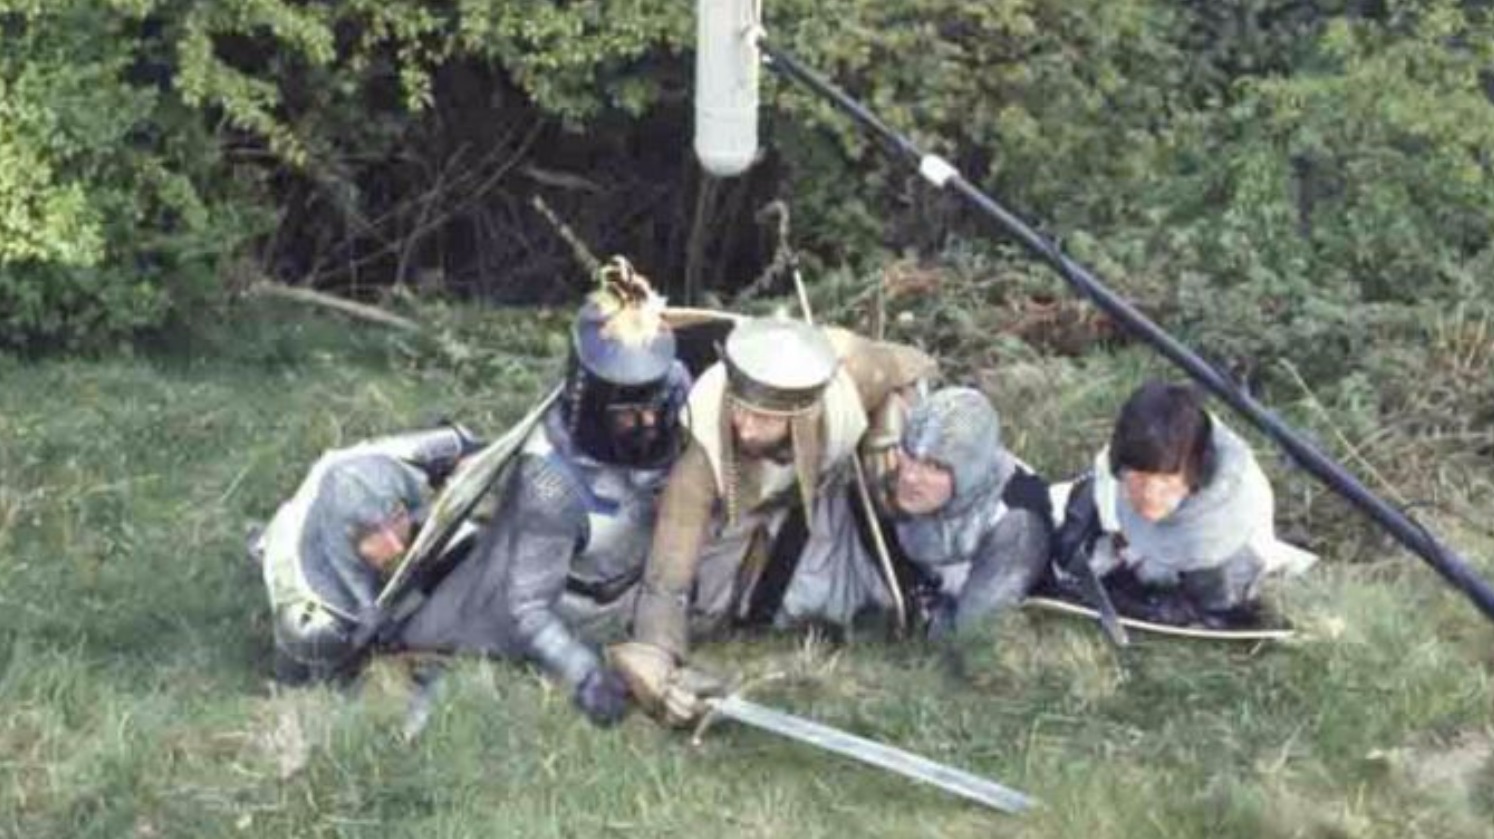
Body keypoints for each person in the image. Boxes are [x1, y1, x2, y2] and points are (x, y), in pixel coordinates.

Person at [395, 258, 692, 726]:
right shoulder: (550, 482)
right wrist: (584, 673)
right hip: (533, 613)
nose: (650, 422)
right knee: (462, 695)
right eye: (630, 413)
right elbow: (528, 609)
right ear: (595, 406)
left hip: (624, 593)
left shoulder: (668, 392)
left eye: (654, 406)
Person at [609, 316, 937, 724]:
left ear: (802, 413)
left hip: (821, 496)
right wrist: (658, 665)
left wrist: (884, 430)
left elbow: (908, 366)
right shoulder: (703, 453)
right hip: (738, 507)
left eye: (763, 418)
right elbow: (667, 579)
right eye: (740, 410)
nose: (745, 429)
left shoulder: (851, 384)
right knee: (709, 614)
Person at [1048, 381, 1316, 627]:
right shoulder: (1129, 460)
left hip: (1214, 559)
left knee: (1218, 589)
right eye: (1139, 479)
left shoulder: (1234, 509)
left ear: (1195, 471)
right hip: (1127, 546)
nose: (1150, 494)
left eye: (1165, 480)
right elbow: (1104, 488)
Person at [257, 423, 485, 685]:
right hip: (323, 588)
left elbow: (474, 449)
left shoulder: (399, 459)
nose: (395, 546)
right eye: (373, 536)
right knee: (322, 662)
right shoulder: (312, 593)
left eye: (396, 517)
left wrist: (462, 477)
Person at [887, 387, 1052, 638]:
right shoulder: (911, 484)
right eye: (910, 455)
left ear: (969, 471)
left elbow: (974, 635)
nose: (910, 477)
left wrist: (925, 623)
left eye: (934, 466)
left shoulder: (1015, 525)